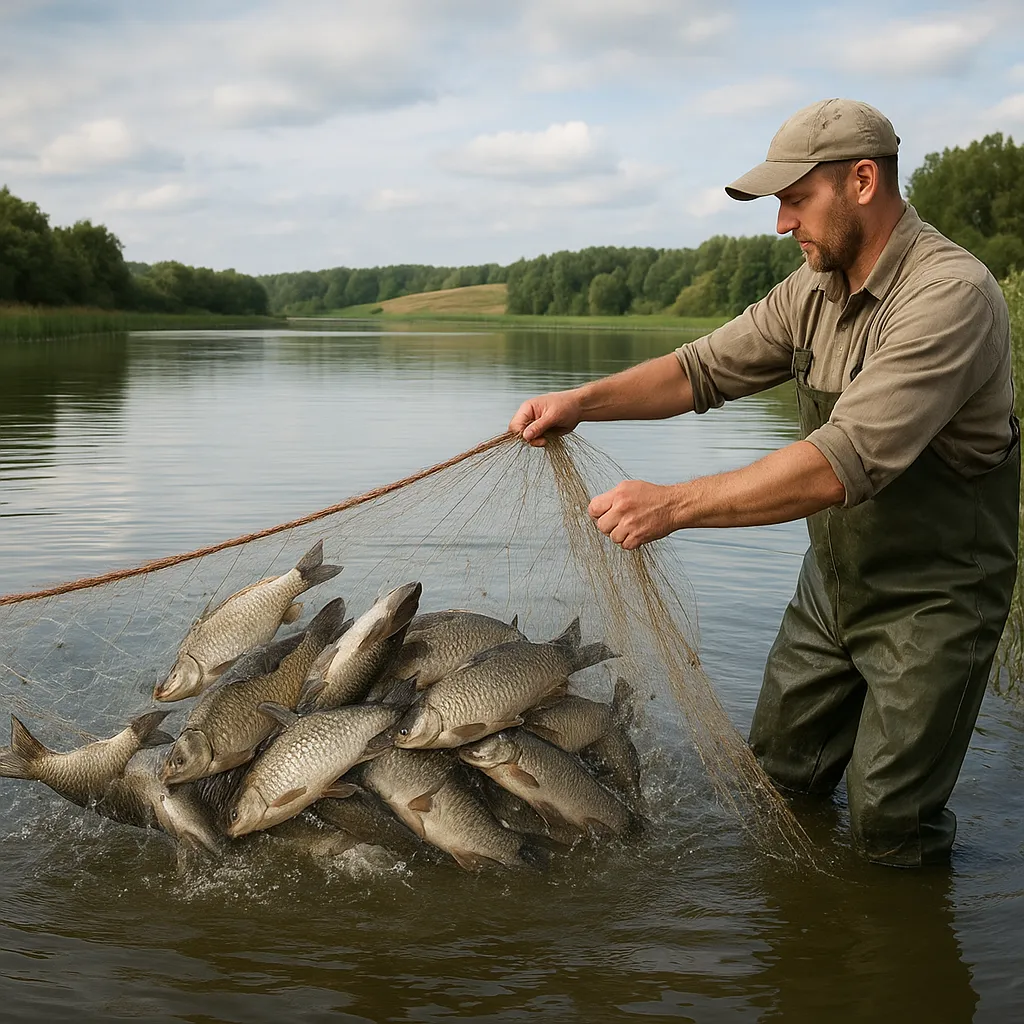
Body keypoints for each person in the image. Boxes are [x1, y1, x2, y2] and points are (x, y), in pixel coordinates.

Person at [509, 98, 1020, 867]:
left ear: (862, 182)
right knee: (778, 781)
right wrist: (581, 402)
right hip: (834, 588)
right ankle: (794, 929)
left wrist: (673, 505)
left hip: (936, 598)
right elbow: (698, 369)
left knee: (890, 824)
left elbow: (839, 460)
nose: (782, 224)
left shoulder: (950, 296)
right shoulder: (813, 289)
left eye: (795, 199)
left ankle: (901, 933)